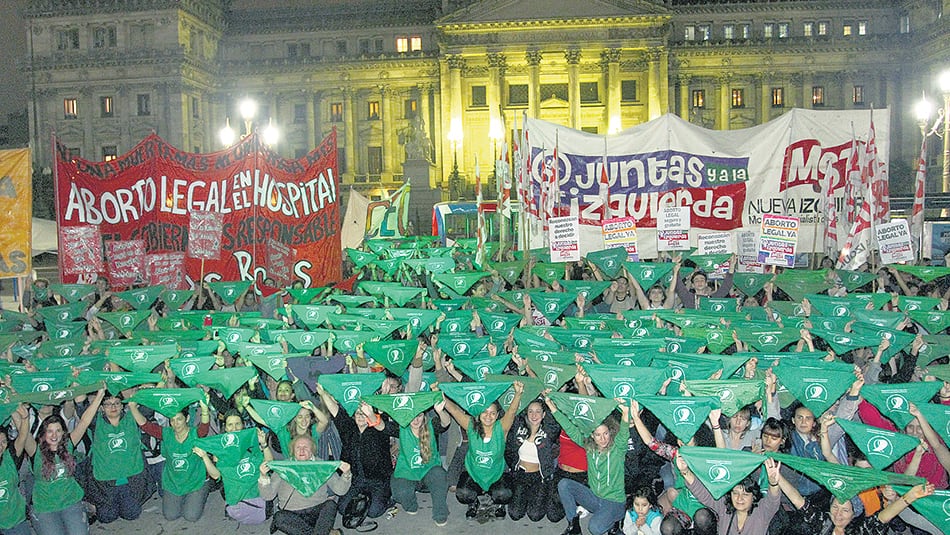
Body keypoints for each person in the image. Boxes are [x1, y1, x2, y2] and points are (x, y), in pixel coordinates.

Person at [17, 389, 105, 535]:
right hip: (45, 508)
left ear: (63, 432)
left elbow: (84, 421)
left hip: (71, 503)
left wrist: (100, 395)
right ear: (43, 434)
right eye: (49, 431)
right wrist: (23, 416)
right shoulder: (34, 450)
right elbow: (23, 432)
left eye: (58, 431)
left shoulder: (69, 444)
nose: (54, 435)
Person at [547, 396, 630, 535]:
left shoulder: (618, 449)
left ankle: (615, 524)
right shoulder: (589, 448)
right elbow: (570, 428)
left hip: (614, 502)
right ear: (592, 436)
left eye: (605, 433)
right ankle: (574, 526)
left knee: (595, 528)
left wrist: (626, 412)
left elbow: (624, 432)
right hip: (595, 498)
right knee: (564, 484)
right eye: (598, 435)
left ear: (611, 432)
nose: (603, 438)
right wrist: (551, 406)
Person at [441, 382, 523, 519]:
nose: (488, 416)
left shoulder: (501, 428)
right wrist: (440, 394)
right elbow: (454, 410)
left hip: (497, 474)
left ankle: (499, 504)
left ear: (497, 415)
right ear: (478, 414)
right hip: (474, 473)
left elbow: (512, 411)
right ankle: (473, 503)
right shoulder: (471, 425)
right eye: (484, 412)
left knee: (504, 494)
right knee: (463, 494)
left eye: (492, 413)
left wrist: (518, 393)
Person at [775, 465, 935, 535]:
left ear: (854, 514)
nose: (838, 514)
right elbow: (798, 501)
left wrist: (910, 496)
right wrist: (777, 476)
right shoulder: (823, 524)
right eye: (836, 507)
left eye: (845, 510)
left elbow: (885, 516)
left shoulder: (862, 530)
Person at [128, 398, 213, 522]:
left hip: (196, 481)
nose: (175, 423)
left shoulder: (195, 434)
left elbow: (204, 427)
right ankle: (186, 498)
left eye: (179, 419)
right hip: (174, 482)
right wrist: (133, 408)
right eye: (172, 420)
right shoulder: (166, 434)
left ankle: (199, 493)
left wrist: (204, 408)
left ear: (187, 419)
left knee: (191, 516)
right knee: (171, 515)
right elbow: (146, 425)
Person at [258, 435, 352, 535]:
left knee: (331, 505)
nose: (302, 450)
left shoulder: (321, 465)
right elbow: (268, 496)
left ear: (312, 450)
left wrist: (346, 474)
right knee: (279, 517)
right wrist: (263, 476)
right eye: (298, 447)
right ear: (293, 451)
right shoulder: (284, 467)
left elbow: (340, 491)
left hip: (317, 512)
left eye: (306, 447)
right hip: (292, 514)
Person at [676, 453, 782, 535]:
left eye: (745, 494)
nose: (739, 498)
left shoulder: (762, 512)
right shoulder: (725, 509)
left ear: (753, 497)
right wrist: (685, 471)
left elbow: (773, 499)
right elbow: (703, 493)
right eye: (735, 493)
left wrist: (773, 483)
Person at [85, 392, 151, 524]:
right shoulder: (95, 421)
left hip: (131, 479)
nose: (113, 407)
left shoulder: (132, 417)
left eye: (117, 403)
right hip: (105, 481)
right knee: (106, 517)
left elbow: (149, 405)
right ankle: (92, 505)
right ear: (101, 407)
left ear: (122, 406)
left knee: (132, 514)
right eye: (108, 404)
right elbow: (80, 405)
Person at [386, 395, 452, 526]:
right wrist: (371, 414)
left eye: (419, 415)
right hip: (408, 472)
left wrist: (440, 412)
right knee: (399, 493)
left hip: (429, 472)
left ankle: (440, 512)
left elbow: (445, 423)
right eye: (412, 416)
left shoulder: (431, 425)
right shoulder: (402, 427)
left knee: (440, 474)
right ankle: (411, 504)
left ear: (424, 416)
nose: (416, 420)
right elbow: (382, 426)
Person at [503, 397, 561, 522]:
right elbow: (509, 450)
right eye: (530, 411)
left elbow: (555, 420)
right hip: (520, 475)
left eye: (538, 411)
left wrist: (548, 400)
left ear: (544, 414)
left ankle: (542, 493)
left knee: (535, 515)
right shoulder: (518, 428)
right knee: (515, 514)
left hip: (539, 476)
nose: (534, 415)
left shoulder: (549, 431)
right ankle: (524, 494)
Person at [1, 417, 29, 535]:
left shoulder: (9, 458)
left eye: (3, 442)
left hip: (15, 521)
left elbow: (23, 435)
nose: (0, 446)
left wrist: (24, 417)